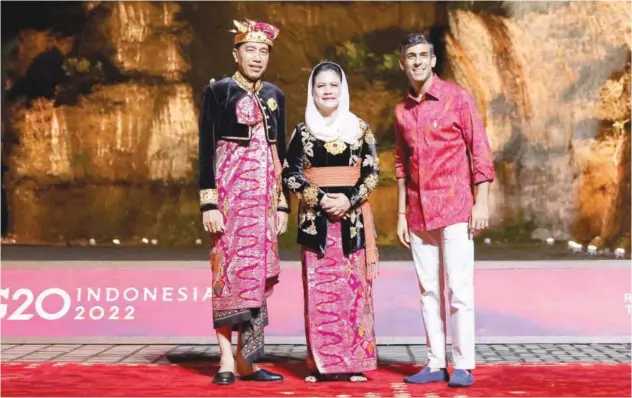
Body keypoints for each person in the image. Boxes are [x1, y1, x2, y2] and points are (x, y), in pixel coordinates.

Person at [394, 33, 495, 388]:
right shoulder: (401, 111)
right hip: (419, 212)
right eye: (411, 56)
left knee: (459, 289)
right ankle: (436, 362)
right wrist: (401, 214)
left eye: (423, 55)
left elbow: (479, 149)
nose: (418, 61)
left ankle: (464, 364)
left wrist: (481, 201)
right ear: (403, 63)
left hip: (455, 207)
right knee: (428, 291)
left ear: (433, 61)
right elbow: (401, 164)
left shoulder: (456, 98)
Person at [198, 19, 291, 386]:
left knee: (255, 279)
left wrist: (282, 204)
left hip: (263, 204)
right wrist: (209, 204)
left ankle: (247, 359)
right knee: (226, 277)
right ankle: (224, 358)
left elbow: (279, 154)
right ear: (236, 53)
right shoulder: (218, 92)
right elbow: (206, 151)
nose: (257, 57)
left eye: (263, 51)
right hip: (230, 202)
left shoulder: (275, 96)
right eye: (250, 50)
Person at [282, 62, 380, 383]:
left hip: (352, 223)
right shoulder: (303, 132)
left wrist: (347, 199)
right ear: (312, 91)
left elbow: (372, 173)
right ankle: (322, 364)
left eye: (333, 85)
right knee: (320, 292)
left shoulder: (360, 130)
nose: (327, 90)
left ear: (342, 89)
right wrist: (319, 198)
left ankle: (354, 363)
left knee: (354, 293)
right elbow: (290, 173)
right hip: (316, 224)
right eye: (320, 85)